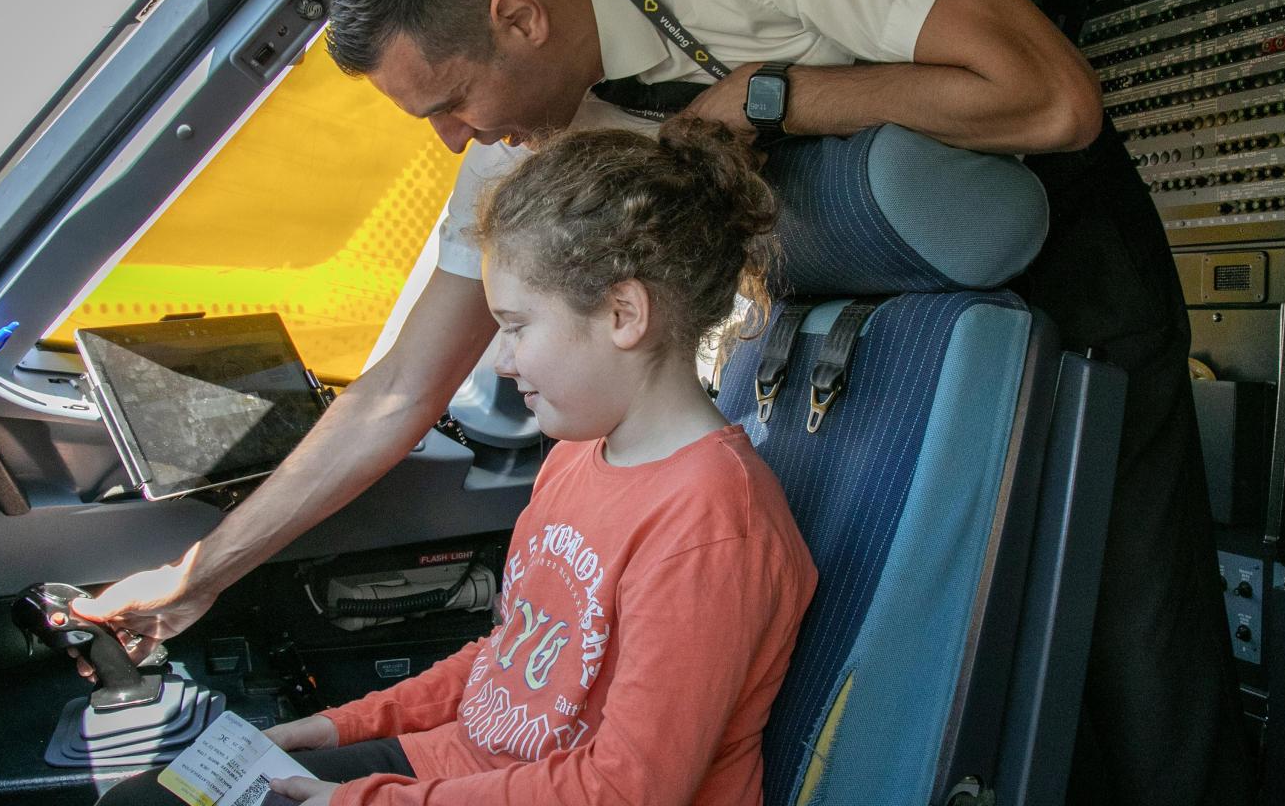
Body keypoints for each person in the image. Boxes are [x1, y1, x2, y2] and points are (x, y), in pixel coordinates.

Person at [75, 0, 1251, 803]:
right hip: (837, 317)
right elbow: (395, 390)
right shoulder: (527, 156)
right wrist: (199, 575)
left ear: (517, 17)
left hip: (1053, 251)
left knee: (1138, 654)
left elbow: (1052, 100)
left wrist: (766, 99)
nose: (454, 140)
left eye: (450, 103)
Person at [99, 121, 817, 806]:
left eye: (516, 327)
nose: (501, 360)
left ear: (623, 314)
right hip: (464, 766)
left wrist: (361, 797)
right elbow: (513, 662)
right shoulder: (576, 456)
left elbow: (629, 789)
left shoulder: (710, 524)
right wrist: (344, 726)